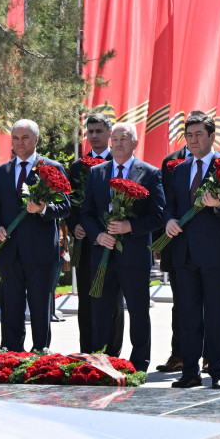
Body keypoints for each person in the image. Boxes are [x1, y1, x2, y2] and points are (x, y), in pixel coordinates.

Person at [162, 112, 220, 390]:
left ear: (212, 136)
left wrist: (219, 204)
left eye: (199, 134)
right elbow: (169, 205)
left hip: (215, 255)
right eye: (189, 135)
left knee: (216, 315)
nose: (193, 139)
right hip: (184, 254)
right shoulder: (179, 170)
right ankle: (190, 372)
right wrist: (169, 221)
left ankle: (218, 371)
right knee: (188, 316)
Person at [82, 121, 165, 373]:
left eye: (124, 139)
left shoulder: (149, 173)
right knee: (101, 310)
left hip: (134, 255)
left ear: (135, 143)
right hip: (102, 255)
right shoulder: (97, 173)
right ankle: (103, 361)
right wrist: (98, 236)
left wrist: (130, 226)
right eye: (115, 139)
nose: (118, 143)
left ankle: (139, 363)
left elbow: (159, 215)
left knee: (138, 310)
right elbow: (86, 213)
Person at [0, 119, 69, 352]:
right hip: (9, 251)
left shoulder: (51, 168)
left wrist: (43, 209)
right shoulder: (1, 172)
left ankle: (40, 354)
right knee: (11, 307)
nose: (20, 142)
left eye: (25, 138)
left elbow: (65, 207)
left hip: (40, 252)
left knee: (40, 308)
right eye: (16, 138)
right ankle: (12, 354)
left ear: (36, 140)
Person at [67, 113, 123, 355]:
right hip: (86, 243)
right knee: (87, 299)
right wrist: (74, 226)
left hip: (114, 242)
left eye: (99, 131)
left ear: (109, 133)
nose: (94, 136)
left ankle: (112, 353)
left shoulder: (119, 161)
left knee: (113, 300)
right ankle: (88, 351)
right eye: (90, 132)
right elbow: (69, 203)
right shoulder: (77, 167)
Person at [156, 140, 191, 373]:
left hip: (206, 246)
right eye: (190, 132)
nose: (194, 138)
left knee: (209, 304)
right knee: (180, 305)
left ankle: (208, 355)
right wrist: (160, 239)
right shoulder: (170, 161)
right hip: (176, 243)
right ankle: (178, 355)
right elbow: (164, 202)